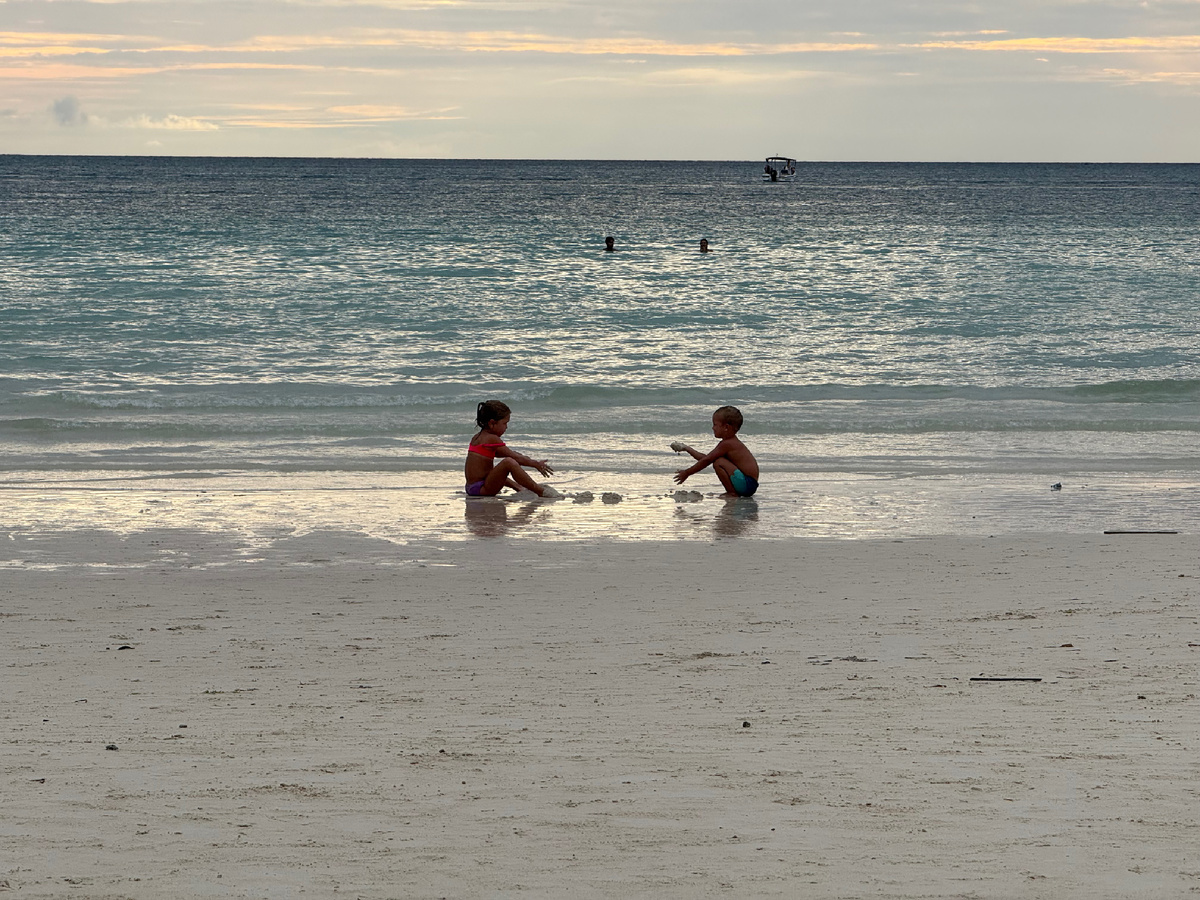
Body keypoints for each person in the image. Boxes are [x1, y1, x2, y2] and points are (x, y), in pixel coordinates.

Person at [465, 400, 556, 497]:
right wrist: (536, 464)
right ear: (492, 423)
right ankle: (540, 491)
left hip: (471, 487)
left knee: (505, 464)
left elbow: (509, 454)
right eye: (505, 423)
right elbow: (514, 458)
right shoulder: (492, 439)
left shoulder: (477, 437)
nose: (506, 427)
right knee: (509, 462)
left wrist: (524, 458)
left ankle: (519, 487)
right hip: (481, 488)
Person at [672, 405, 759, 497]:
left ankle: (732, 493)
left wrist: (687, 473)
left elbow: (707, 460)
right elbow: (706, 459)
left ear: (726, 427)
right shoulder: (728, 443)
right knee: (718, 461)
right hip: (747, 485)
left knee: (719, 462)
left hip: (748, 484)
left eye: (715, 425)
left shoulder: (728, 444)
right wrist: (687, 448)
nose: (713, 428)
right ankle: (733, 492)